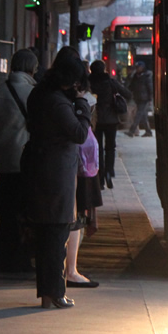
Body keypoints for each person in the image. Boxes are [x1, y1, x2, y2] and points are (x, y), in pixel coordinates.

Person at [24, 53, 92, 309]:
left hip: (40, 166)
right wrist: (83, 106)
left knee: (46, 234)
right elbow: (79, 133)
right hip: (56, 172)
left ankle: (47, 294)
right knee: (57, 232)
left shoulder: (39, 94)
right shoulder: (58, 102)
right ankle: (54, 293)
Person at [50, 47, 101, 290]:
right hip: (73, 164)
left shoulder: (46, 93)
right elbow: (81, 133)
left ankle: (62, 274)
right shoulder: (68, 99)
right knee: (71, 219)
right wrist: (83, 105)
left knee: (65, 218)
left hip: (68, 164)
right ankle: (68, 272)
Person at [0, 49, 39, 273]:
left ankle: (3, 257)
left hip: (1, 162)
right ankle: (20, 258)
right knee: (24, 213)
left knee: (6, 213)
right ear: (31, 69)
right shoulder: (34, 93)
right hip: (24, 163)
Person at [88, 59, 132, 190]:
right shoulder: (111, 82)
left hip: (95, 120)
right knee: (110, 147)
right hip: (111, 120)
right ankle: (109, 172)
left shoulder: (88, 83)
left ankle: (99, 176)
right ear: (104, 69)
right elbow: (128, 94)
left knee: (98, 148)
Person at [125, 61, 154, 138]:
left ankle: (132, 130)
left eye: (139, 67)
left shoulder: (147, 76)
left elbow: (150, 87)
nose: (137, 69)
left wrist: (150, 98)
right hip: (137, 97)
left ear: (142, 68)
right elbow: (132, 86)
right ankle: (148, 131)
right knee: (143, 115)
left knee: (138, 114)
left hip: (144, 98)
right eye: (136, 67)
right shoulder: (135, 76)